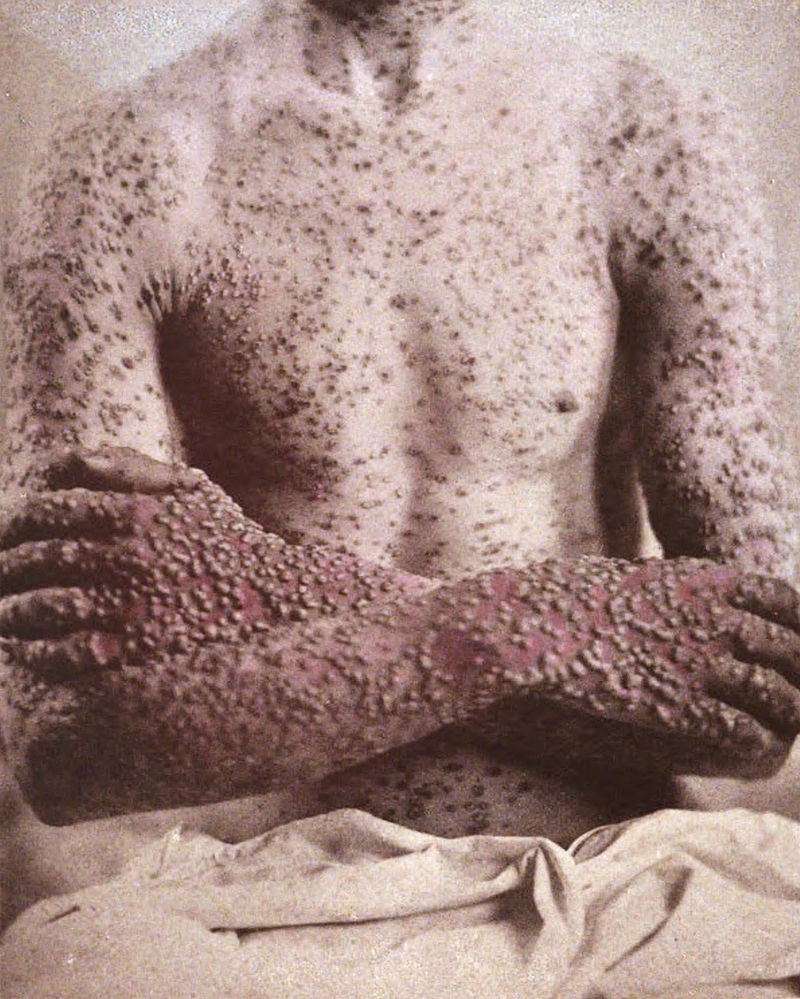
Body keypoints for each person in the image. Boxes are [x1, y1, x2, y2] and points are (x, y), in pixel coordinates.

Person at [2, 4, 800, 987]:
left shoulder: (652, 138)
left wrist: (258, 583)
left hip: (613, 879)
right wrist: (517, 632)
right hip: (265, 902)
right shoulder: (122, 163)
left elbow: (752, 701)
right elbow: (68, 748)